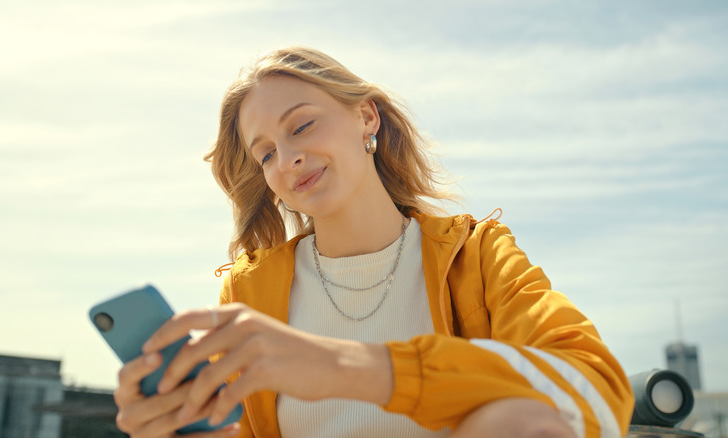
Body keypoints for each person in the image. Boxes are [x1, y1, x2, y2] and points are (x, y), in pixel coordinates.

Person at [113, 47, 635, 438]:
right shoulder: (250, 295)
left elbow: (597, 391)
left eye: (302, 125)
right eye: (266, 153)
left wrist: (346, 368)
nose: (288, 159)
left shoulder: (476, 256)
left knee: (520, 423)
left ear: (366, 117)